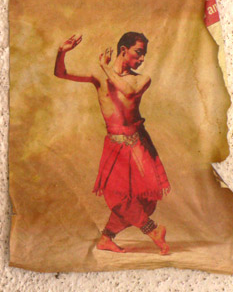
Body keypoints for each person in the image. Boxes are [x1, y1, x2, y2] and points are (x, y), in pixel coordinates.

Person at [54, 32, 170, 254]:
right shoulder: (99, 77)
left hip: (138, 143)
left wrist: (105, 68)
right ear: (124, 50)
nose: (142, 58)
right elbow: (61, 73)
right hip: (115, 145)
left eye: (144, 54)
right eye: (139, 52)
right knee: (116, 196)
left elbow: (128, 92)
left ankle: (106, 238)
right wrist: (61, 52)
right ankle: (153, 230)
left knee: (145, 200)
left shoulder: (141, 79)